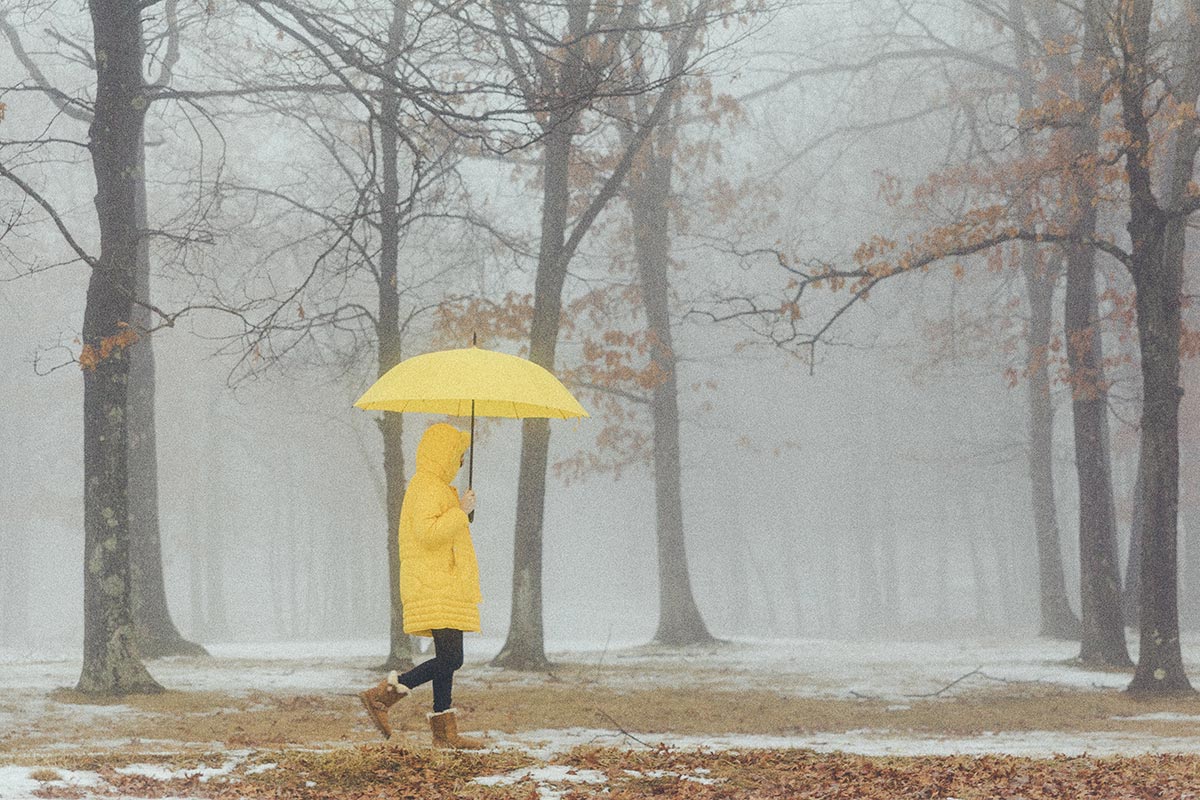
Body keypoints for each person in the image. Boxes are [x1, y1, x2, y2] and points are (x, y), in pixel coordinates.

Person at [358, 422, 486, 749]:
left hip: (446, 584)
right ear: (442, 454)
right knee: (451, 659)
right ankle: (383, 695)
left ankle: (445, 735)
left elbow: (445, 532)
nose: (460, 463)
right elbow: (428, 535)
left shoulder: (438, 488)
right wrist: (460, 513)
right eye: (457, 455)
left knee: (448, 657)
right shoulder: (426, 486)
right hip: (434, 584)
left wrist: (461, 514)